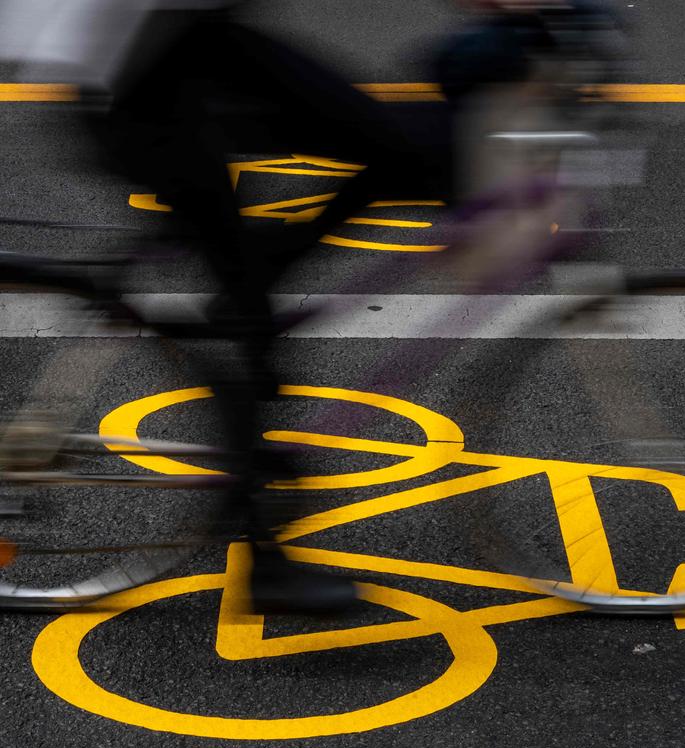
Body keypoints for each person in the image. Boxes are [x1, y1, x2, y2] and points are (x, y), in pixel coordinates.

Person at [0, 0, 434, 613]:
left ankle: (251, 301)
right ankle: (264, 552)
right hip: (142, 70)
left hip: (180, 48)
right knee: (245, 294)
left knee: (397, 147)